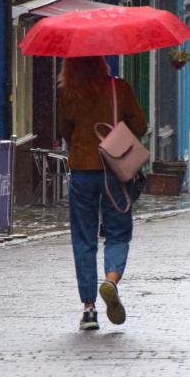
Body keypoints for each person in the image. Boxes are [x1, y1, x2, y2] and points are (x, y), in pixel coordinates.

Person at [58, 56, 147, 331]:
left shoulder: (69, 92)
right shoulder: (118, 88)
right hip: (114, 170)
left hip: (83, 170)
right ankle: (110, 280)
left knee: (84, 238)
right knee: (118, 231)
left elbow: (65, 130)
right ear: (102, 63)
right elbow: (141, 127)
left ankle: (89, 309)